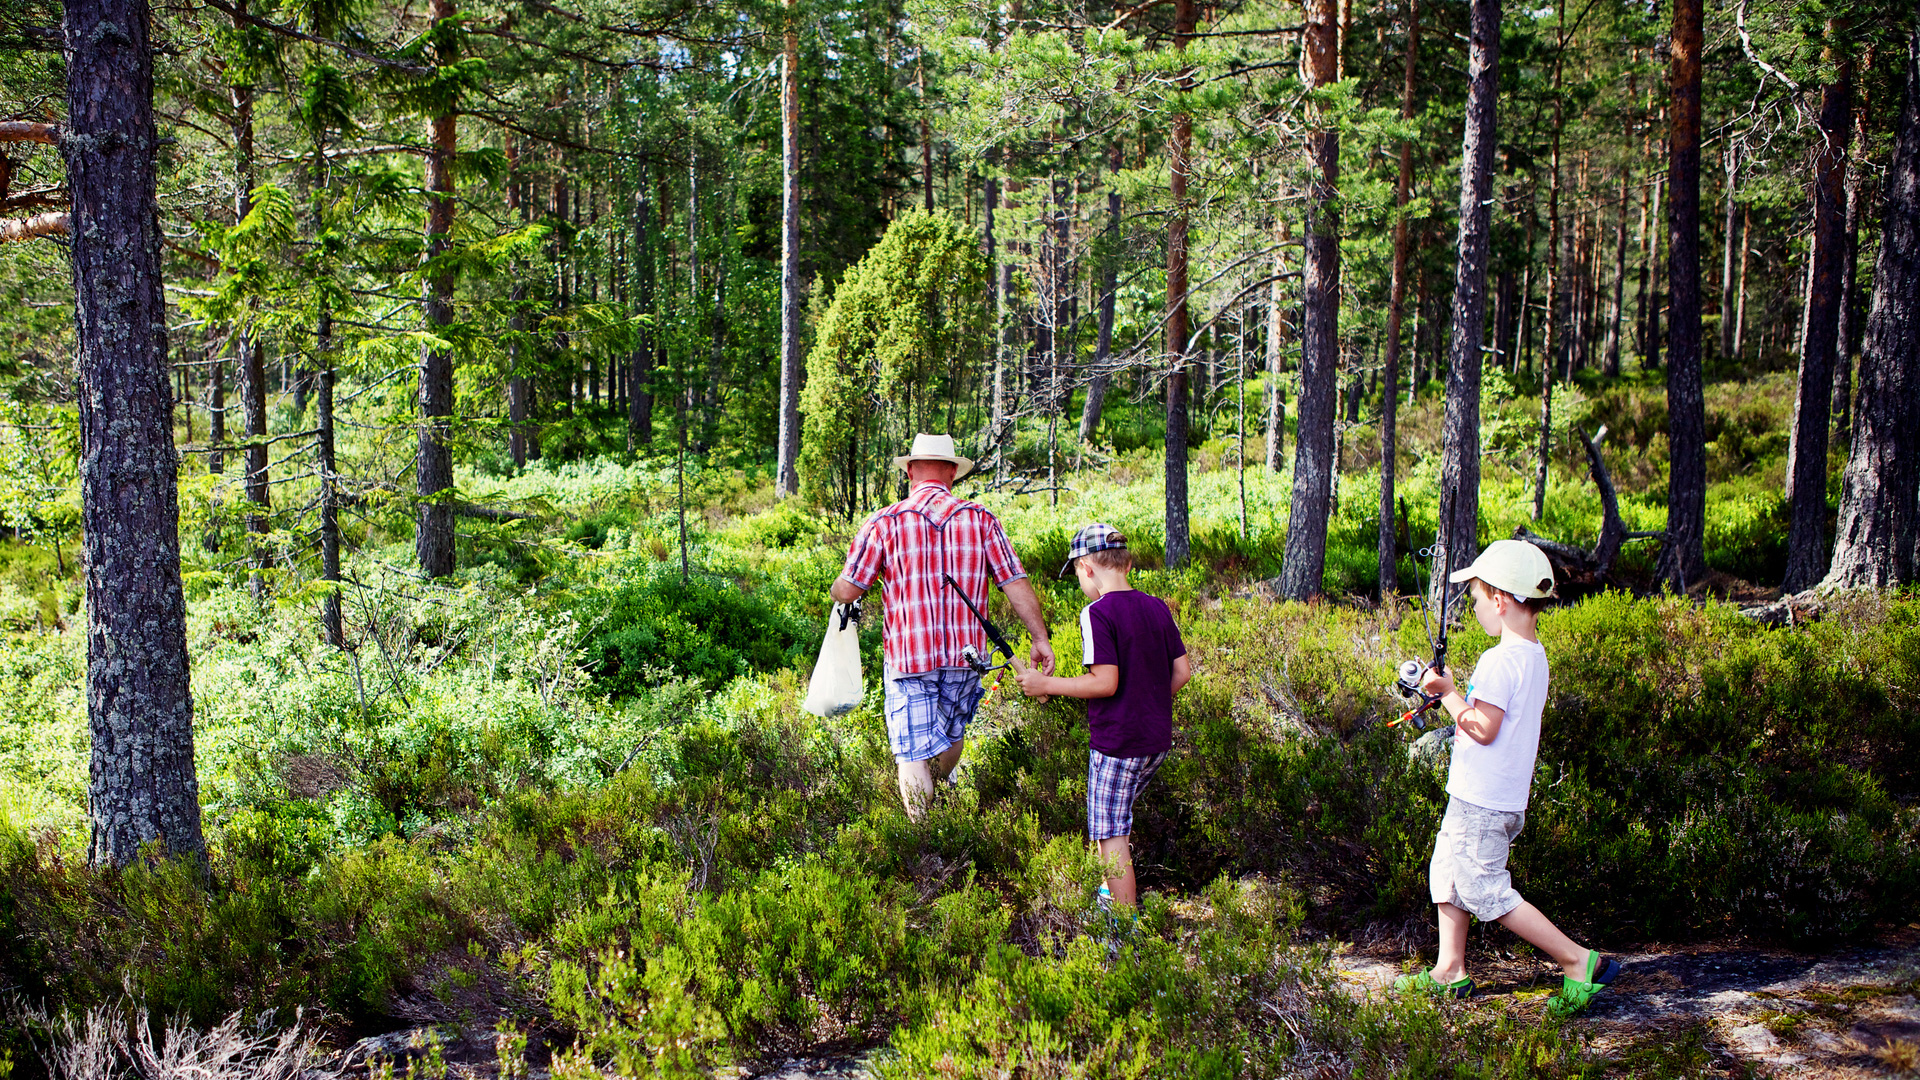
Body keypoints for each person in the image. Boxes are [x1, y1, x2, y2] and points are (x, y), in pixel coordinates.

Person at [1393, 538, 1619, 1016]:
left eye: (1475, 598)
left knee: (1483, 887)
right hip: (1486, 796)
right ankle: (1449, 971)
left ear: (1499, 599)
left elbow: (1482, 729)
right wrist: (1451, 695)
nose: (1474, 607)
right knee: (1449, 873)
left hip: (1484, 801)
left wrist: (1446, 693)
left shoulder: (1499, 661)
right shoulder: (1533, 656)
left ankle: (1578, 961)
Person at [829, 433, 1055, 820]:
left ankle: (923, 837)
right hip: (966, 657)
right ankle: (945, 792)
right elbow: (1015, 582)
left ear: (911, 472)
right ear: (952, 473)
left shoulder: (884, 521)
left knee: (912, 752)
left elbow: (849, 589)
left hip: (908, 658)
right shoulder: (981, 519)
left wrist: (837, 586)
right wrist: (1039, 637)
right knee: (952, 732)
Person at [1012, 524, 1189, 910]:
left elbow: (1104, 682)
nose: (1081, 582)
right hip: (1155, 740)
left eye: (1077, 574)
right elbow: (1182, 672)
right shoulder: (1157, 606)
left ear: (1087, 568)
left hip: (1116, 744)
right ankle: (1108, 898)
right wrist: (1147, 703)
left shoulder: (1096, 613)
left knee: (1111, 836)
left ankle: (1123, 931)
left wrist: (1046, 684)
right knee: (1117, 820)